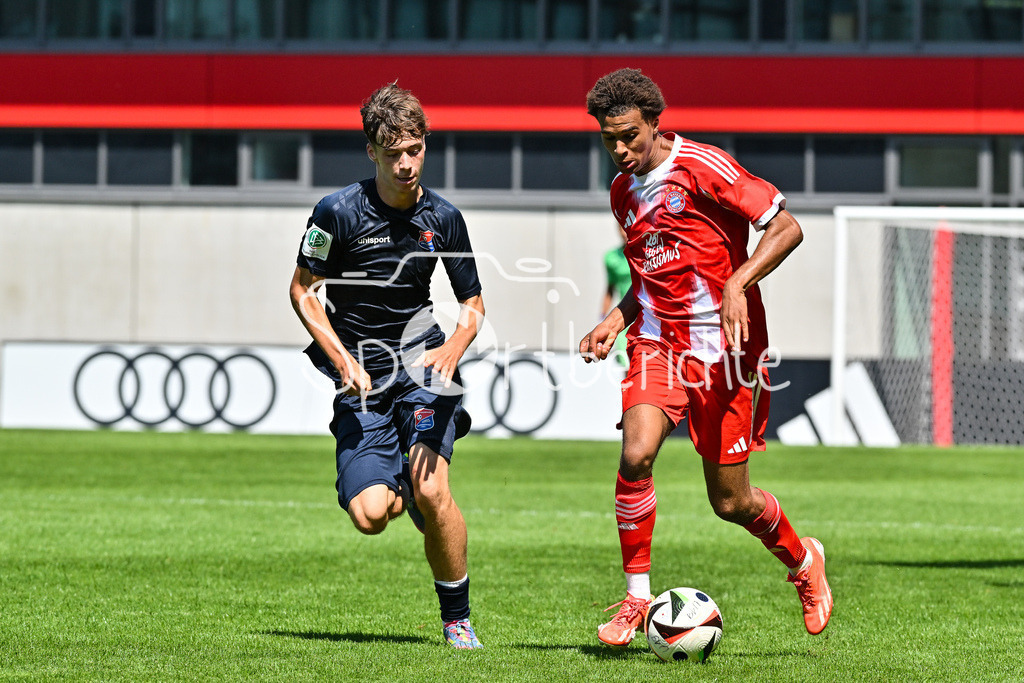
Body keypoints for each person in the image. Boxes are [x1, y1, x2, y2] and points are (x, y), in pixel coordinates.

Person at [578, 68, 832, 647]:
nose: (620, 150)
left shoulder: (702, 166)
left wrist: (738, 282)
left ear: (655, 124)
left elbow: (786, 227)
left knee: (730, 501)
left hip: (726, 353)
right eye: (608, 139)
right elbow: (647, 280)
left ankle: (802, 559)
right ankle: (636, 599)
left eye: (630, 136)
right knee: (637, 452)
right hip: (659, 344)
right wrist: (615, 320)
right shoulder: (623, 194)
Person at [289, 82, 485, 650]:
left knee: (432, 491)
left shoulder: (444, 218)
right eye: (393, 151)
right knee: (372, 515)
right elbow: (303, 290)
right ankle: (395, 476)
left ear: (425, 146)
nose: (406, 163)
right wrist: (342, 359)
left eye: (415, 149)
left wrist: (453, 348)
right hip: (363, 377)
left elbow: (473, 303)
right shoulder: (336, 212)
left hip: (424, 364)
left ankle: (457, 621)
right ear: (371, 150)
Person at [600, 227, 632, 367]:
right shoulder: (611, 258)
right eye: (622, 229)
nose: (625, 232)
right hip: (625, 316)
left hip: (647, 315)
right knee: (628, 364)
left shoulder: (646, 252)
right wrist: (603, 318)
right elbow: (610, 289)